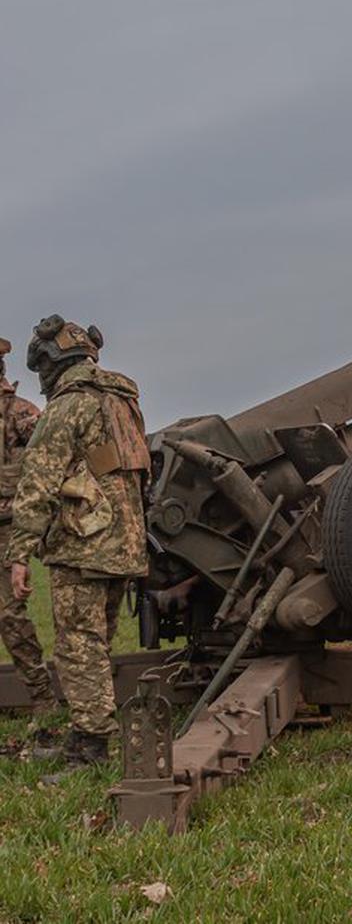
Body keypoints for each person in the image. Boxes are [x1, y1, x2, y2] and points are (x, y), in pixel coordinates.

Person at [6, 316, 150, 767]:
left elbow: (38, 483)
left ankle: (90, 750)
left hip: (83, 545)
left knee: (78, 648)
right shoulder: (123, 400)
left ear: (50, 363)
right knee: (97, 643)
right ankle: (89, 731)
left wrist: (18, 554)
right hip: (125, 543)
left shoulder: (68, 406)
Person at [0, 338, 57, 713]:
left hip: (12, 525)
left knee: (10, 615)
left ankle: (42, 697)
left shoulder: (21, 413)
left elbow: (47, 465)